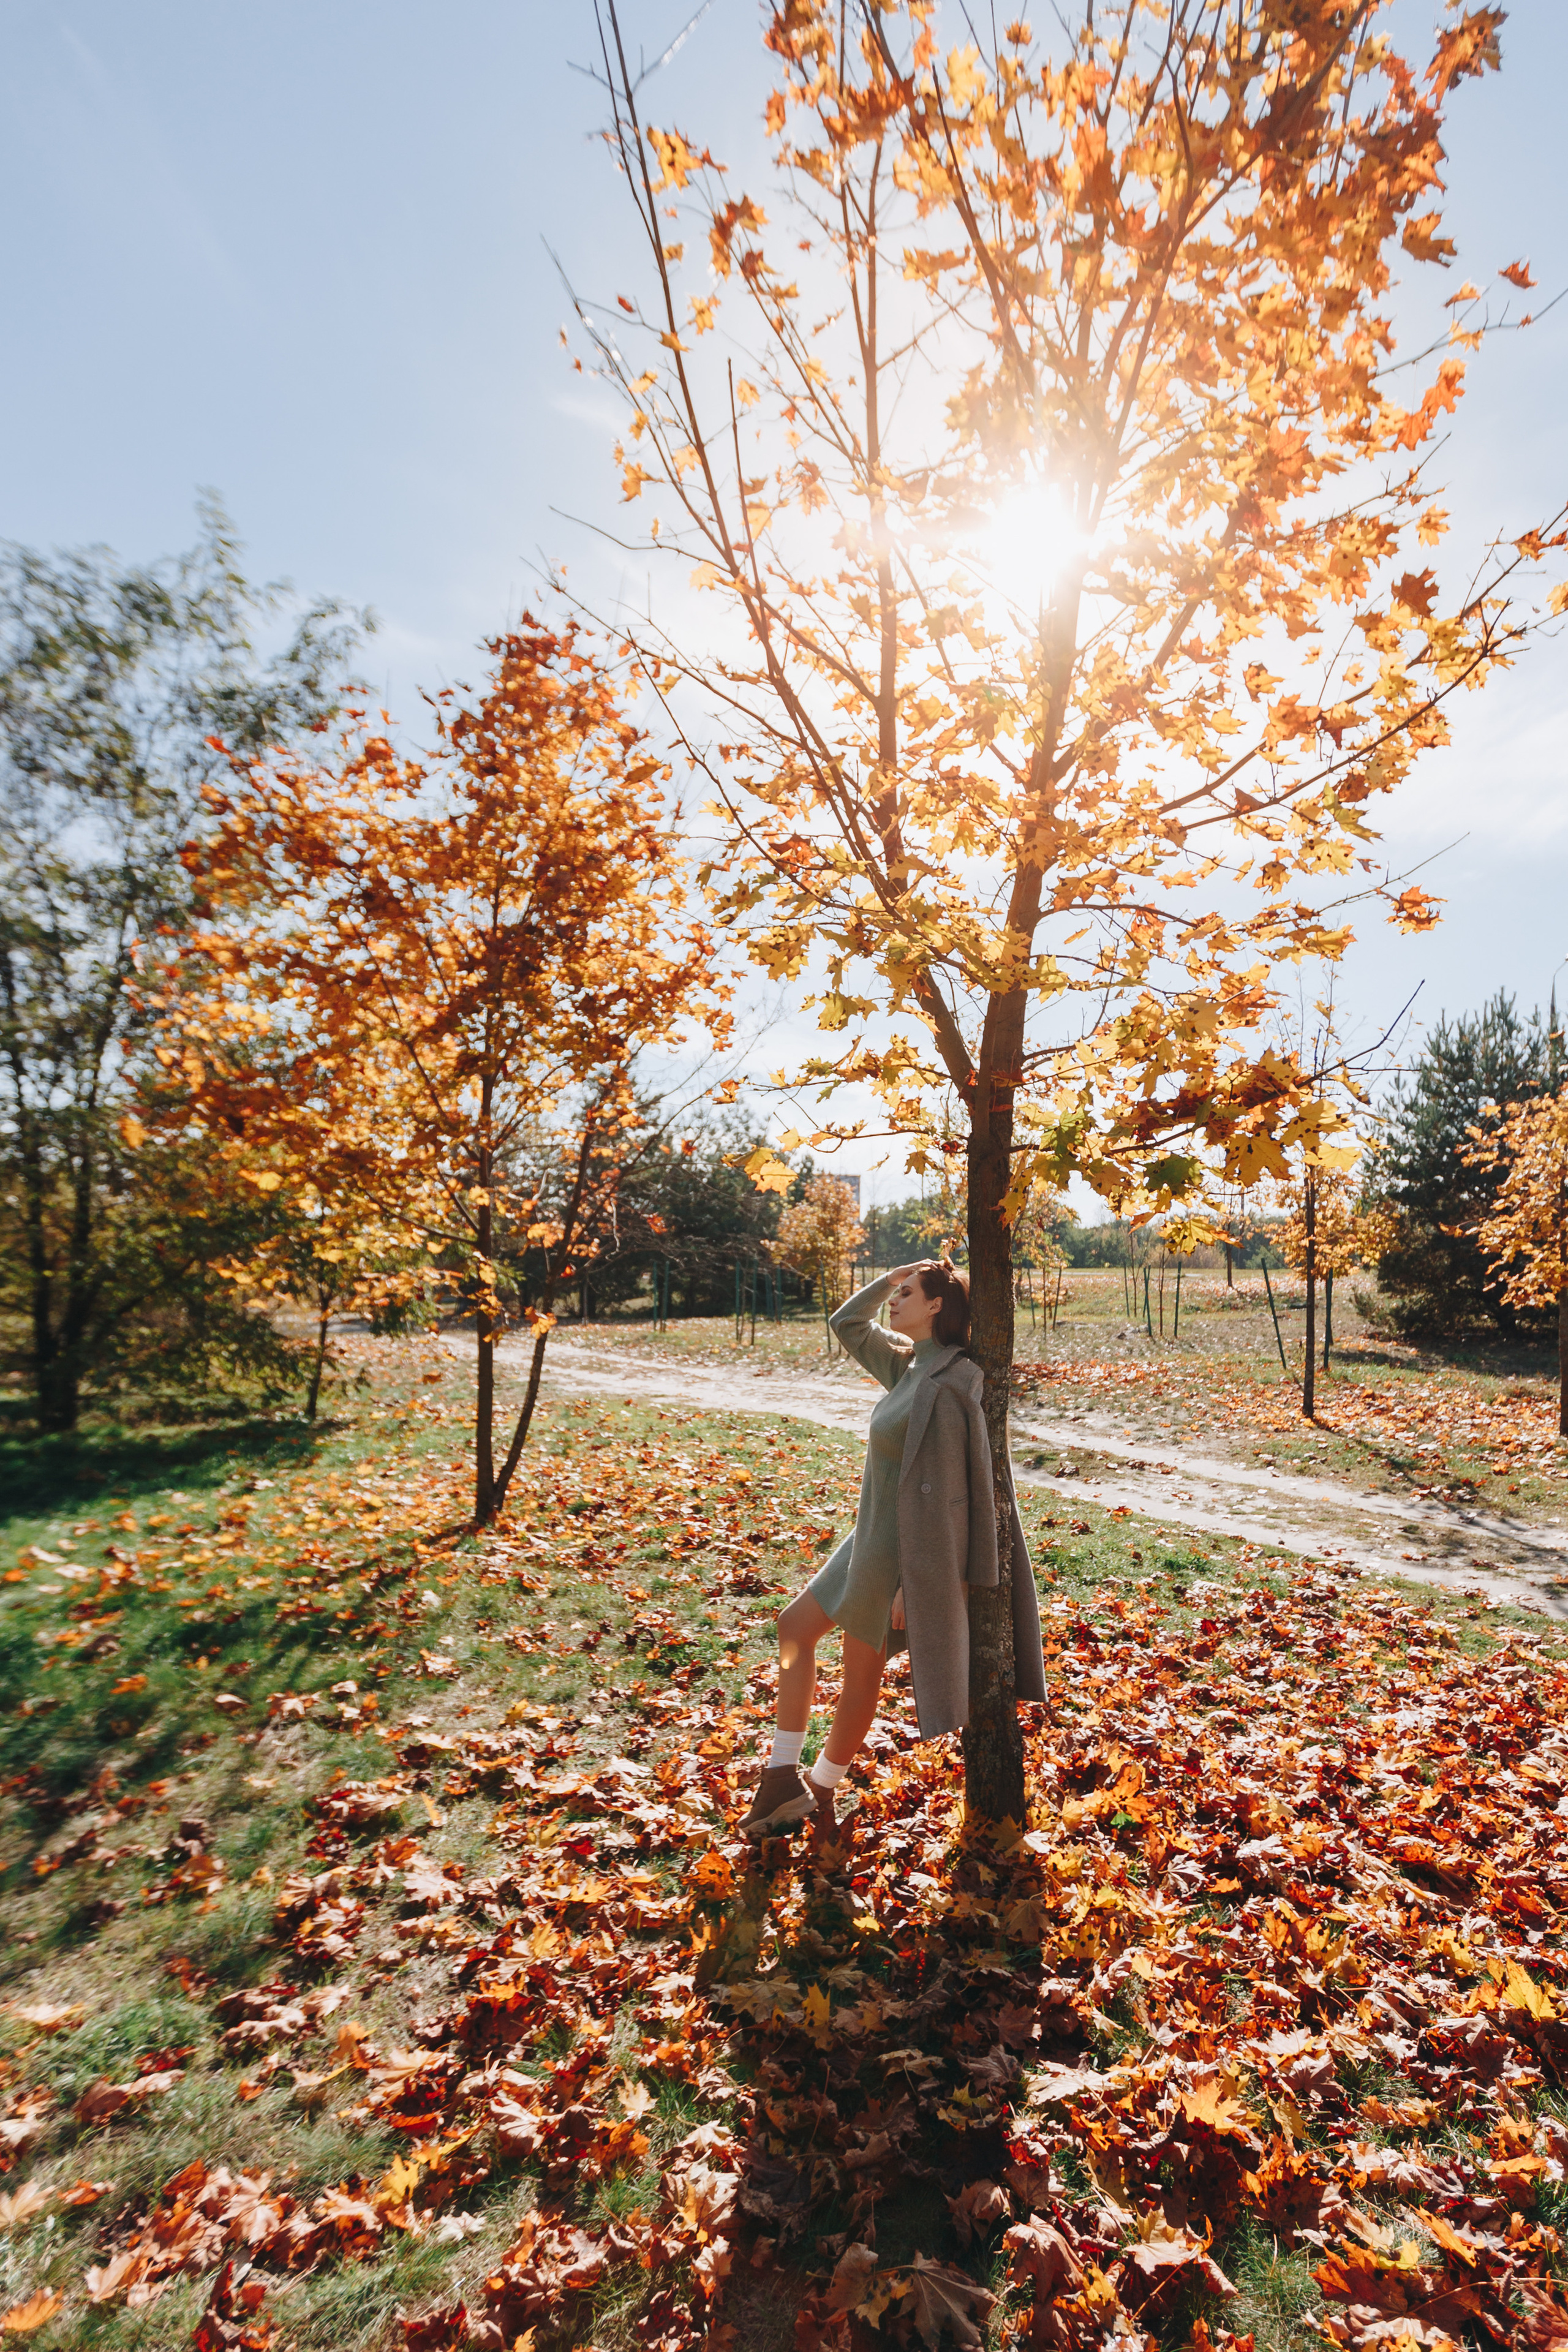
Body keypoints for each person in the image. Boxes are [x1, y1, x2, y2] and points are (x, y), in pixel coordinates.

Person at [739, 1258, 1048, 1838]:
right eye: (897, 1292)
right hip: (868, 1540)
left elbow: (952, 1499)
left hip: (897, 1554)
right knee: (793, 1631)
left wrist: (916, 1577)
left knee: (861, 1677)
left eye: (908, 1293)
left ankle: (822, 1789)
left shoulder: (952, 1382)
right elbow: (846, 1322)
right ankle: (782, 1775)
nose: (894, 1300)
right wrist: (893, 1275)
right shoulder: (908, 1367)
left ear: (937, 1307)